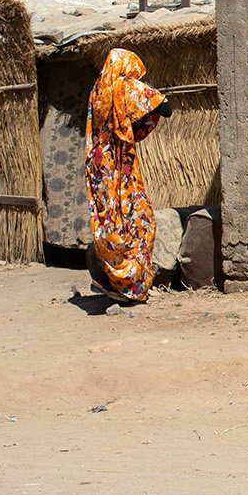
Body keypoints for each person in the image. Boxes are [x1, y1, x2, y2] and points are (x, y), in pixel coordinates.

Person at [86, 48, 170, 305]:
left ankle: (114, 280)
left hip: (98, 167)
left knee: (109, 224)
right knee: (142, 222)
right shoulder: (124, 87)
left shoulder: (98, 91)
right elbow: (166, 107)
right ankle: (131, 286)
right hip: (120, 168)